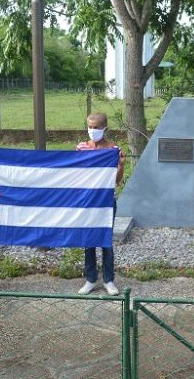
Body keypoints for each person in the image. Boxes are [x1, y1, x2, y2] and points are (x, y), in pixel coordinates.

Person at [76, 113, 126, 296]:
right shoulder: (81, 148)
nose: (92, 131)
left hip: (105, 201)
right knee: (88, 241)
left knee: (106, 242)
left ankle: (108, 280)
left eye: (96, 127)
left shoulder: (113, 149)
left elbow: (117, 181)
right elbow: (75, 173)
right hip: (87, 201)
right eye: (90, 126)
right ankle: (90, 279)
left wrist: (121, 165)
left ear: (104, 128)